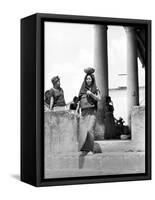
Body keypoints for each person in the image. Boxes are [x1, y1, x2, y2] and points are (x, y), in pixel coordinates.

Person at [78, 67, 102, 155]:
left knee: (90, 130)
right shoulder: (82, 90)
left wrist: (91, 94)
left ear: (92, 80)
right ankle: (85, 149)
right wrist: (77, 111)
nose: (88, 80)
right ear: (85, 80)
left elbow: (99, 98)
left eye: (90, 79)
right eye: (87, 79)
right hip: (83, 112)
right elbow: (79, 101)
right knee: (83, 131)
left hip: (92, 112)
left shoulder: (96, 89)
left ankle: (91, 149)